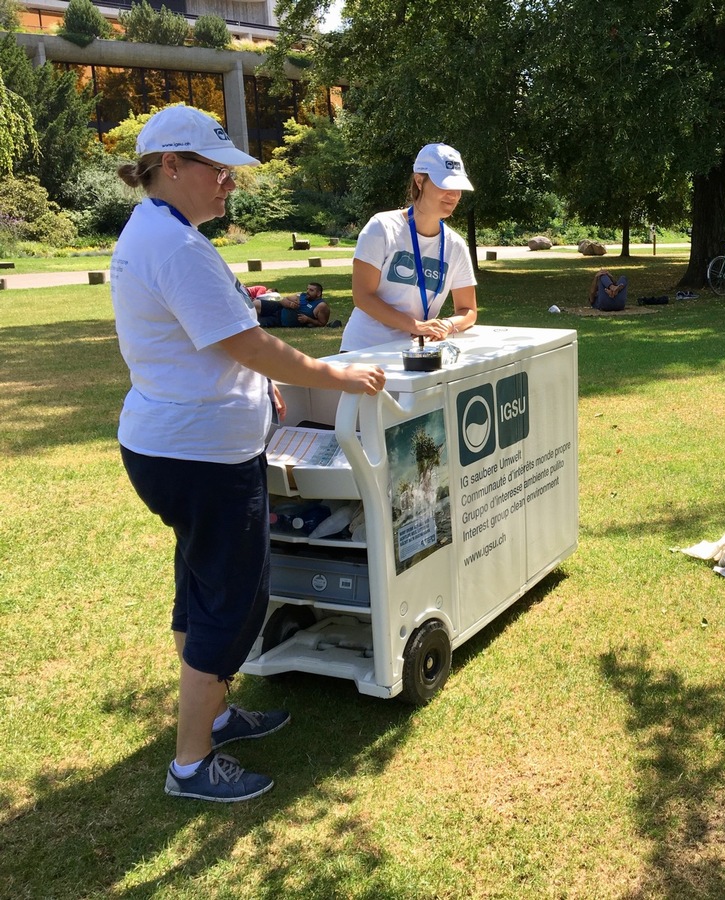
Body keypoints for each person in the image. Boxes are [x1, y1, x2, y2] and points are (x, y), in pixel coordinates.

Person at [111, 105, 387, 802]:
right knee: (232, 603)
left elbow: (220, 340)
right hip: (201, 458)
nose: (230, 182)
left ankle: (218, 714)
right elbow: (251, 344)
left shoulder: (161, 232)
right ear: (170, 165)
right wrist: (338, 373)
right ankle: (192, 764)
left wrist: (261, 387)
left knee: (201, 589)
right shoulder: (173, 246)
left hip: (174, 447)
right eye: (218, 169)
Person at [340, 143, 478, 352]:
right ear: (419, 181)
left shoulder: (456, 245)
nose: (453, 195)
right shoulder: (382, 227)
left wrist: (447, 325)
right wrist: (416, 326)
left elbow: (468, 310)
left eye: (457, 188)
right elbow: (362, 296)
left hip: (417, 352)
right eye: (444, 185)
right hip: (365, 350)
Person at [255, 282, 339, 329]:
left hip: (280, 320)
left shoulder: (321, 305)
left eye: (311, 290)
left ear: (318, 293)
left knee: (256, 323)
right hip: (279, 308)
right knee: (256, 304)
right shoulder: (301, 295)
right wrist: (290, 304)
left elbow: (322, 323)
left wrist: (308, 319)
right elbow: (284, 298)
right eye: (307, 289)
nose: (307, 291)